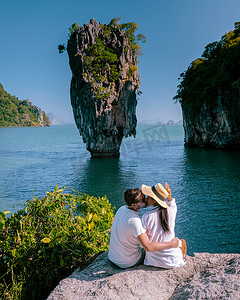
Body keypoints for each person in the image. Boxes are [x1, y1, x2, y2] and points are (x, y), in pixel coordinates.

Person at [108, 187, 180, 268]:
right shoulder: (135, 221)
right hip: (128, 262)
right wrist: (172, 244)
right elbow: (148, 247)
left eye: (145, 196)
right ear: (134, 205)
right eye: (143, 199)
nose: (146, 199)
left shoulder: (122, 209)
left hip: (113, 257)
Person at [141, 182, 186, 268]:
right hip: (172, 261)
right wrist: (168, 195)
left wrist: (168, 194)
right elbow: (171, 202)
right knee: (182, 242)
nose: (146, 199)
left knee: (181, 242)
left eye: (149, 197)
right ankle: (183, 257)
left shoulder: (146, 217)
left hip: (153, 261)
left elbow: (143, 242)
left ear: (154, 200)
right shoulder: (171, 210)